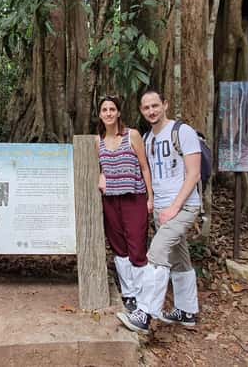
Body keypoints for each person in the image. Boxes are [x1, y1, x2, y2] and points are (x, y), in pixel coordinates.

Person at [117, 89, 201, 334]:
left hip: (183, 206)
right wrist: (152, 202)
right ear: (142, 111)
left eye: (155, 105)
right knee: (179, 259)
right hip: (161, 207)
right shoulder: (147, 138)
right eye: (146, 108)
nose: (151, 111)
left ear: (165, 104)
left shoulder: (182, 132)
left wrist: (174, 208)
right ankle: (187, 311)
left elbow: (193, 174)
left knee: (158, 252)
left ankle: (144, 313)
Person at [96, 95, 154, 313]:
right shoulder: (98, 140)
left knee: (137, 244)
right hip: (111, 199)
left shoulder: (133, 135)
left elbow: (145, 167)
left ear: (119, 112)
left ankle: (142, 295)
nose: (109, 113)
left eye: (112, 109)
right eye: (104, 110)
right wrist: (101, 174)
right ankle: (129, 293)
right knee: (119, 246)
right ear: (100, 114)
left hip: (134, 196)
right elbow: (99, 167)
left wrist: (151, 197)